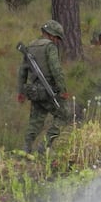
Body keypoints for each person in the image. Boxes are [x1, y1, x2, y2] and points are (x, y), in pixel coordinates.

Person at [17, 20, 71, 153]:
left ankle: (26, 148)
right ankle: (44, 146)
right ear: (52, 35)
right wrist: (63, 90)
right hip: (48, 90)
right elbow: (56, 69)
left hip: (33, 91)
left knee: (35, 121)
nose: (57, 41)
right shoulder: (50, 47)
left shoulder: (30, 46)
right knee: (64, 114)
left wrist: (21, 92)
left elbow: (22, 71)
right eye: (57, 38)